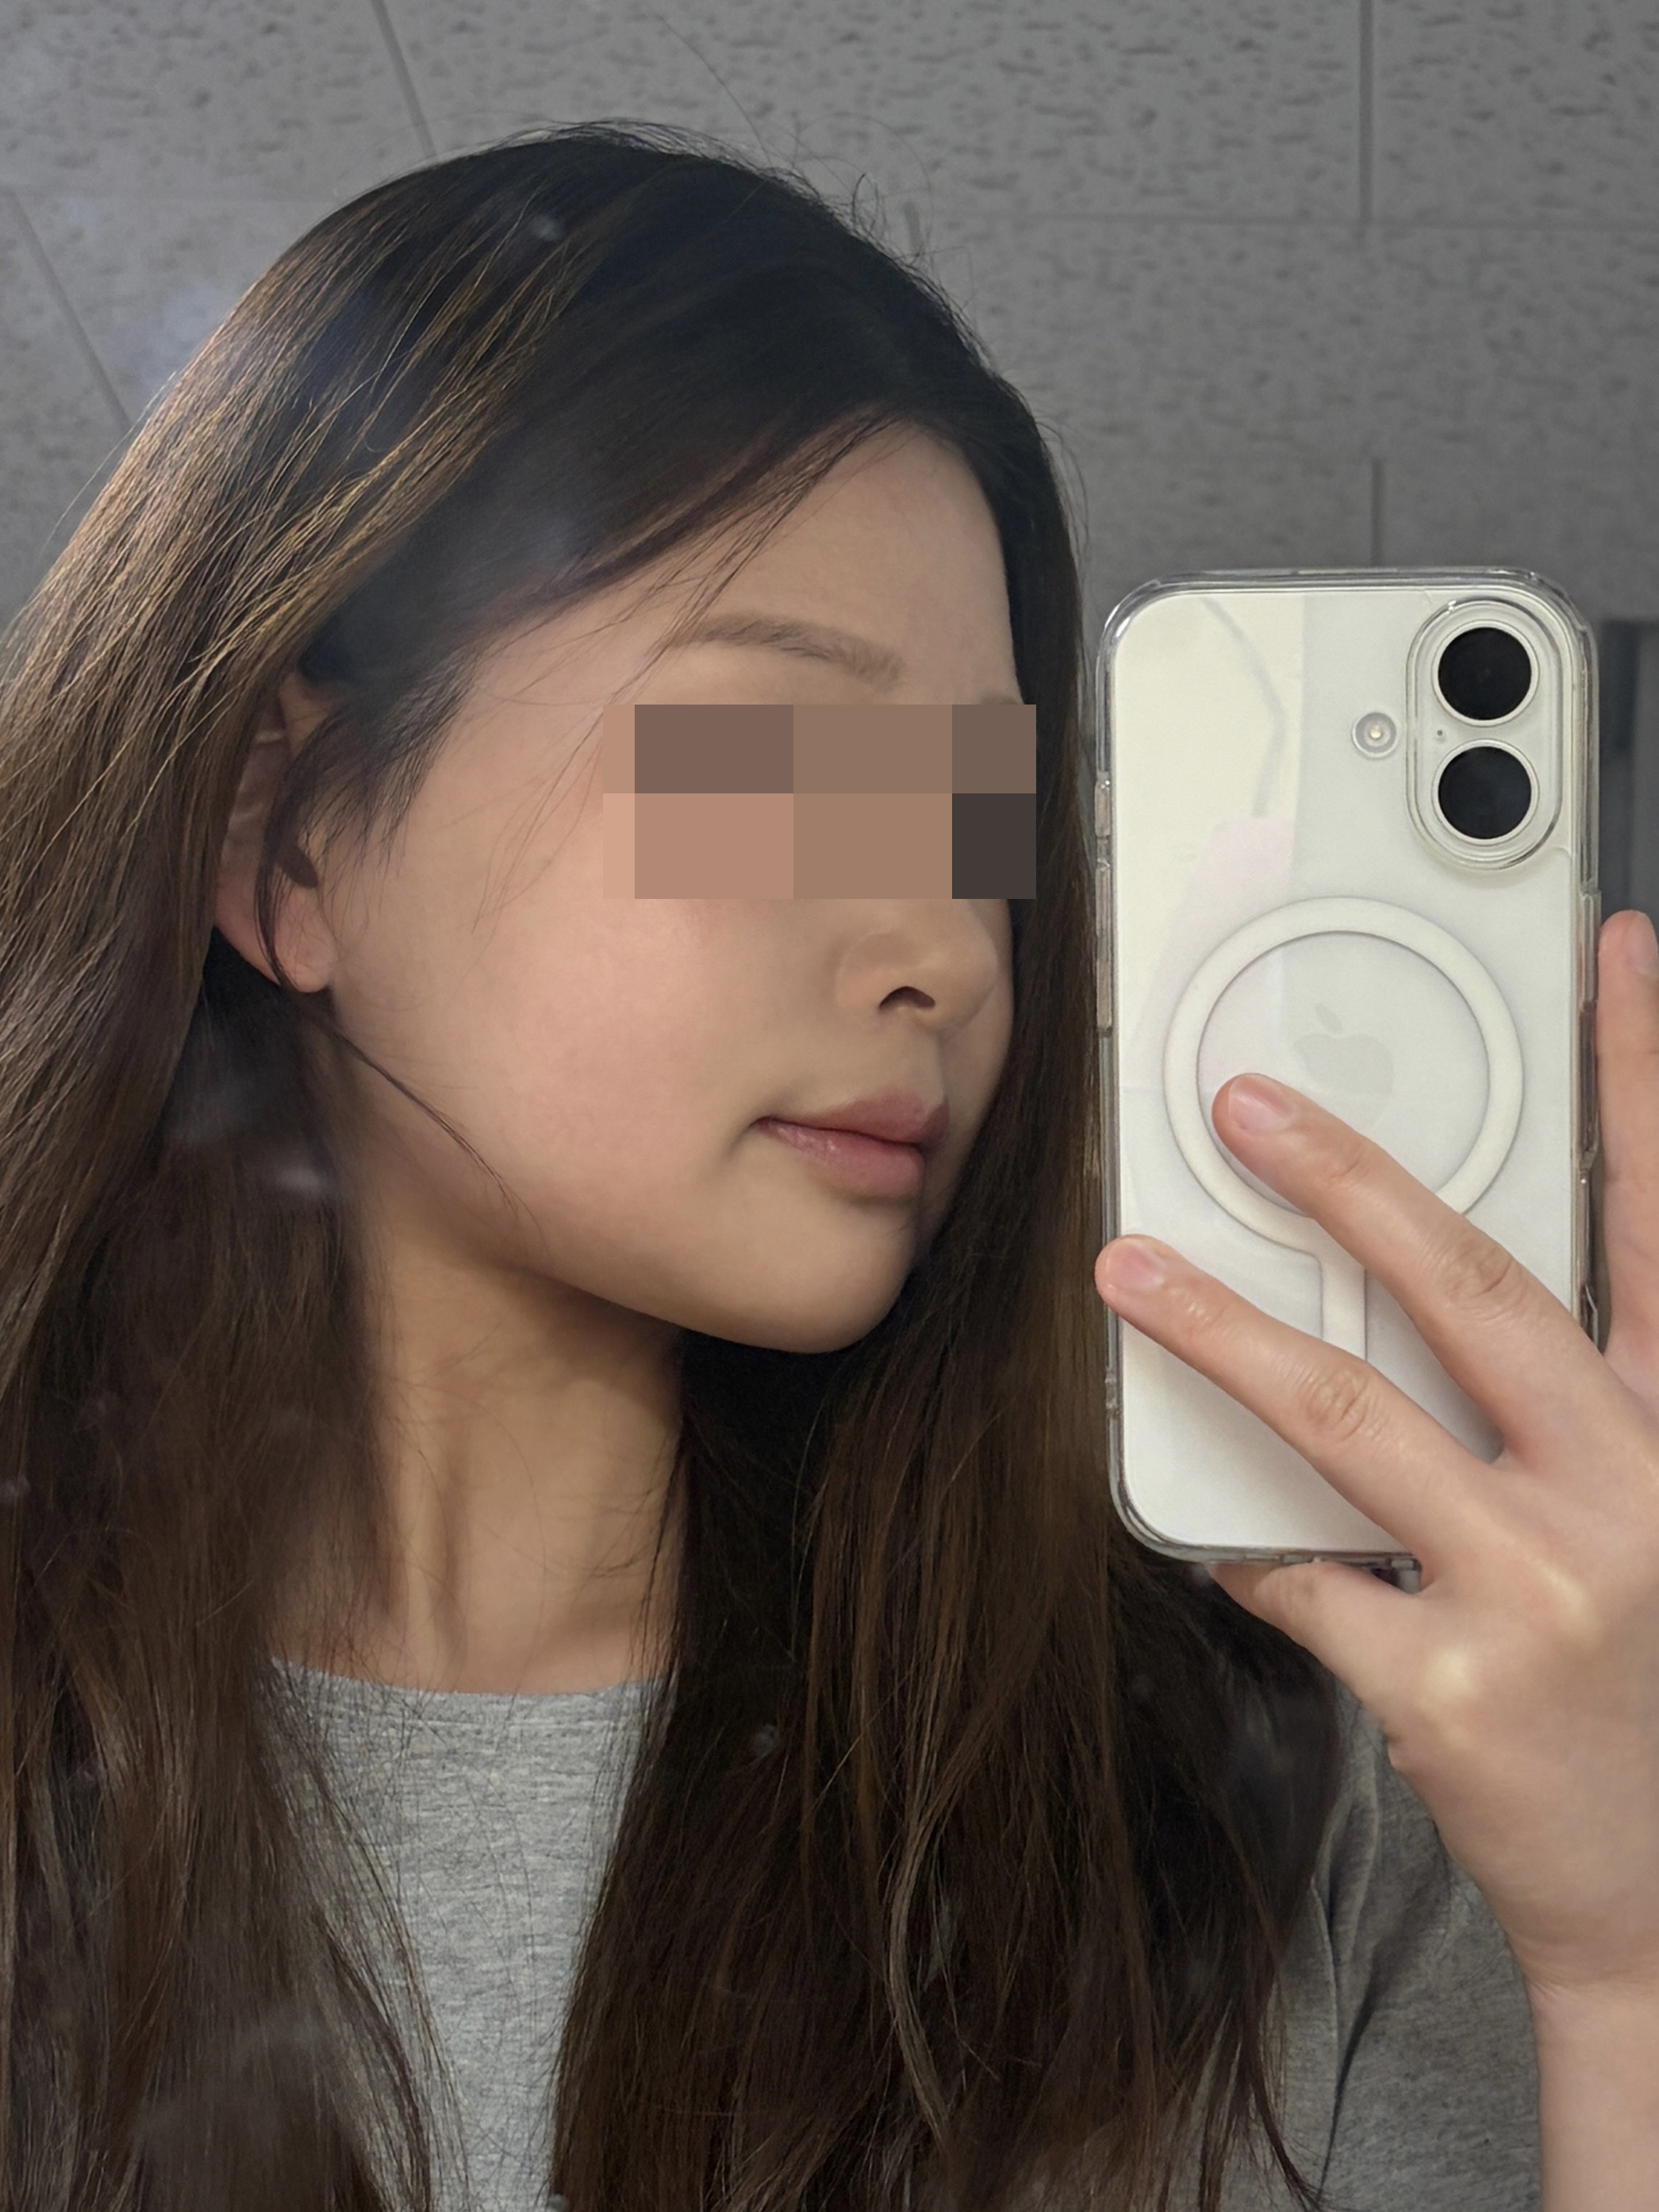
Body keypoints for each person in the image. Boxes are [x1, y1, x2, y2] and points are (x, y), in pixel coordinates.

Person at [0, 123, 1653, 2212]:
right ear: (287, 835)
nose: (947, 952)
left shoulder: (1304, 1804)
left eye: (977, 826)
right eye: (775, 768)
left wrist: (1630, 1963)